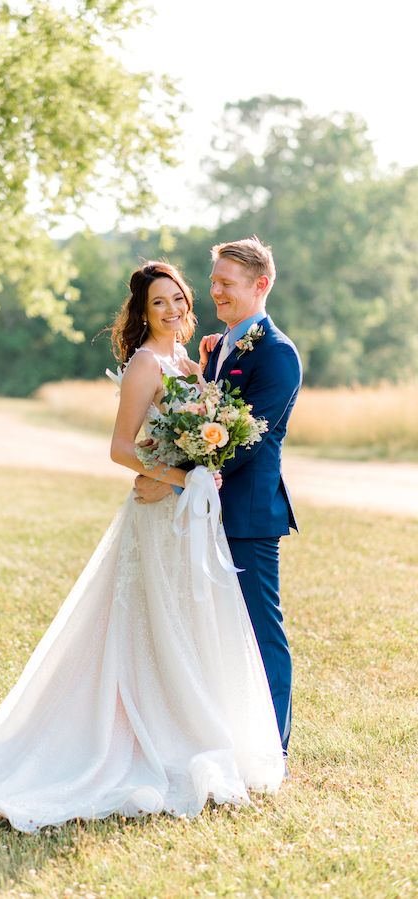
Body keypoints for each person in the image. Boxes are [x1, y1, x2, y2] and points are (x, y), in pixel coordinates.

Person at [0, 260, 284, 837]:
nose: (171, 310)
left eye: (177, 299)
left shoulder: (192, 363)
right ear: (143, 313)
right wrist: (172, 476)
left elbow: (206, 436)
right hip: (157, 513)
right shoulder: (144, 364)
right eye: (157, 303)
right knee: (145, 625)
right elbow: (119, 447)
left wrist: (193, 470)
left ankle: (180, 732)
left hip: (186, 520)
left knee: (182, 625)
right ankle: (124, 740)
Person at [134, 239, 302, 759]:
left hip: (247, 515)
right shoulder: (221, 344)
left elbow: (246, 438)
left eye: (227, 284)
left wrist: (172, 477)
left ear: (261, 285)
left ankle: (271, 750)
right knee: (212, 632)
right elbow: (206, 420)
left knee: (258, 632)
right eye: (213, 282)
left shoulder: (276, 354)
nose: (216, 292)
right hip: (203, 511)